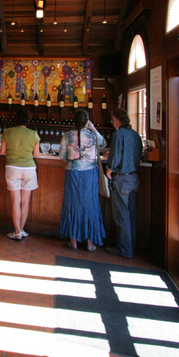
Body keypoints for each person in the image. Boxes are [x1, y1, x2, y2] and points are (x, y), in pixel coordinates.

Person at [58, 109, 107, 252]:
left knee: (72, 204)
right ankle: (90, 244)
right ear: (87, 121)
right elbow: (103, 143)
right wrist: (92, 128)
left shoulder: (67, 135)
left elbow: (62, 155)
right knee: (90, 205)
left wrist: (72, 159)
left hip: (72, 173)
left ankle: (73, 241)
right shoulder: (92, 135)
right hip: (90, 174)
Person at [104, 107, 143, 258]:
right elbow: (133, 153)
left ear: (115, 119)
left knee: (121, 216)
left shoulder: (118, 134)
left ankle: (124, 249)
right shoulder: (135, 135)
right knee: (131, 215)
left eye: (112, 119)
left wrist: (109, 171)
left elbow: (114, 161)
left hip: (121, 179)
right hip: (134, 178)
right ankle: (130, 247)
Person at [0, 107, 41, 240]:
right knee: (25, 202)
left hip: (12, 168)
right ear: (28, 120)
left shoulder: (8, 132)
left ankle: (16, 232)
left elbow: (1, 152)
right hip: (29, 169)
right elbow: (36, 155)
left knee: (15, 201)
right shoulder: (33, 134)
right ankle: (21, 230)